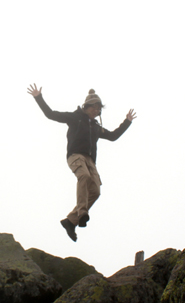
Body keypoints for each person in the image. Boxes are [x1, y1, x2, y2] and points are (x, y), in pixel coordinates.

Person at [27, 84, 136, 241]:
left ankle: (71, 221)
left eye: (99, 109)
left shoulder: (96, 127)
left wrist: (127, 122)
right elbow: (51, 114)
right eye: (94, 108)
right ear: (87, 106)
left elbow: (113, 136)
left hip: (91, 161)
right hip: (76, 155)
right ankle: (82, 213)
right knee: (83, 177)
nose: (96, 111)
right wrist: (38, 97)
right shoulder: (75, 117)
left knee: (96, 192)